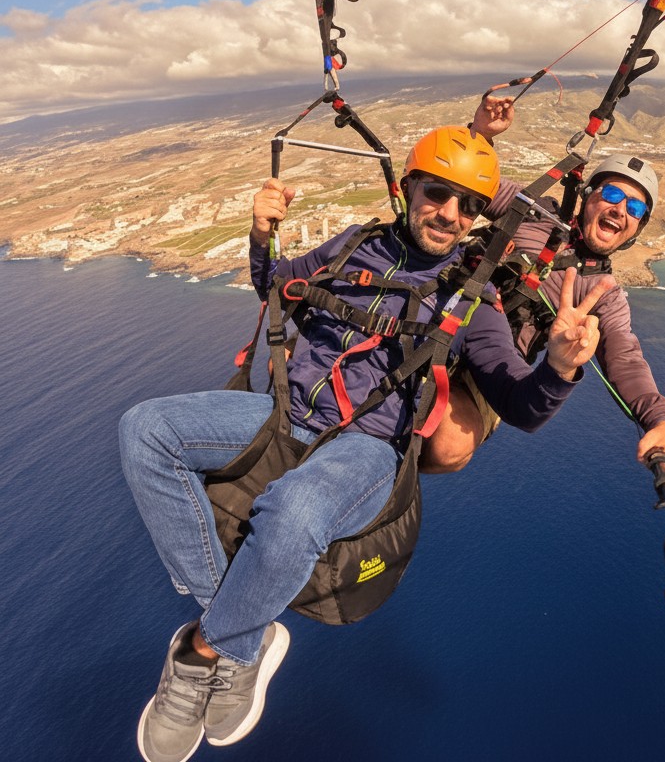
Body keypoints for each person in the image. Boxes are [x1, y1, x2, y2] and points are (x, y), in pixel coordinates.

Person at [120, 119, 611, 762]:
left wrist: (560, 366)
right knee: (144, 429)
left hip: (366, 444)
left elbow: (521, 407)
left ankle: (205, 653)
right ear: (409, 188)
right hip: (283, 411)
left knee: (294, 511)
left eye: (468, 205)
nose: (450, 213)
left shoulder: (475, 300)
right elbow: (275, 284)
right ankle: (244, 631)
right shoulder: (356, 245)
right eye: (437, 192)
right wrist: (261, 235)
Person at [420, 106, 665, 474]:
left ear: (636, 228)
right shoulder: (534, 213)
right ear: (588, 196)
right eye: (610, 194)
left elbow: (624, 356)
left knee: (450, 446)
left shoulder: (603, 295)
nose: (620, 209)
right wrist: (481, 134)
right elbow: (474, 184)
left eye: (635, 207)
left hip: (492, 366)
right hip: (436, 307)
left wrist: (660, 420)